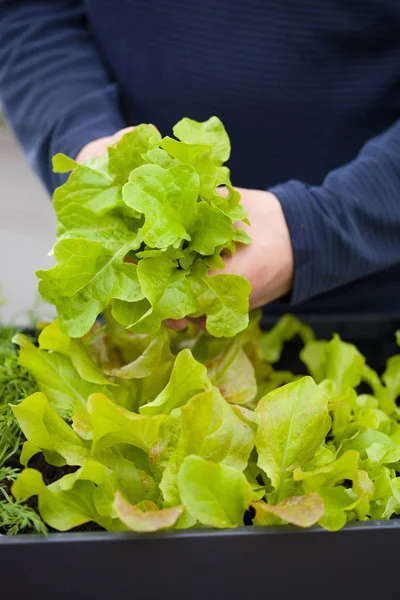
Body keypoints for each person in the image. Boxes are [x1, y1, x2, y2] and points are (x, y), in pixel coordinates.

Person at [0, 0, 399, 319]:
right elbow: (31, 12)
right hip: (141, 299)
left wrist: (321, 228)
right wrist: (89, 143)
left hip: (375, 293)